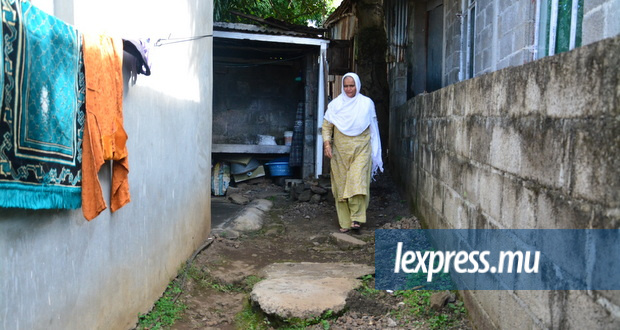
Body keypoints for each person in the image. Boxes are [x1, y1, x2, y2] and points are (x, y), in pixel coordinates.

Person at [322, 72, 383, 233]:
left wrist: (376, 150)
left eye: (352, 85)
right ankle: (345, 222)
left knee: (357, 181)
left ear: (358, 85)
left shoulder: (366, 103)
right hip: (340, 152)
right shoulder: (335, 105)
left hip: (361, 149)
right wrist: (327, 144)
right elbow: (327, 126)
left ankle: (357, 217)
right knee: (341, 187)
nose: (349, 89)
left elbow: (373, 126)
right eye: (346, 86)